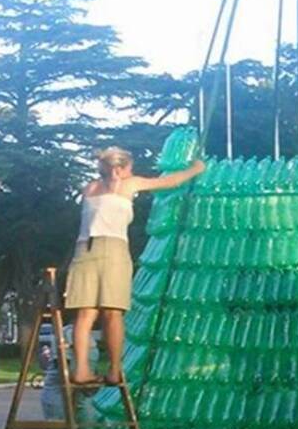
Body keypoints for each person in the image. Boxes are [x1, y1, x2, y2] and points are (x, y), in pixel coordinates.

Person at [65, 147, 205, 386]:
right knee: (113, 313)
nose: (133, 171)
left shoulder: (90, 188)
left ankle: (82, 369)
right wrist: (195, 169)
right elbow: (168, 182)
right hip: (113, 249)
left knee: (85, 315)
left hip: (84, 250)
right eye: (129, 167)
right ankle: (115, 369)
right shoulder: (128, 185)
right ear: (119, 169)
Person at [38, 324, 99, 429]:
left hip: (81, 393)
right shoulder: (67, 332)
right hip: (58, 393)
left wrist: (94, 380)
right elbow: (67, 370)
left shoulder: (89, 335)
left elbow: (91, 365)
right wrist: (94, 381)